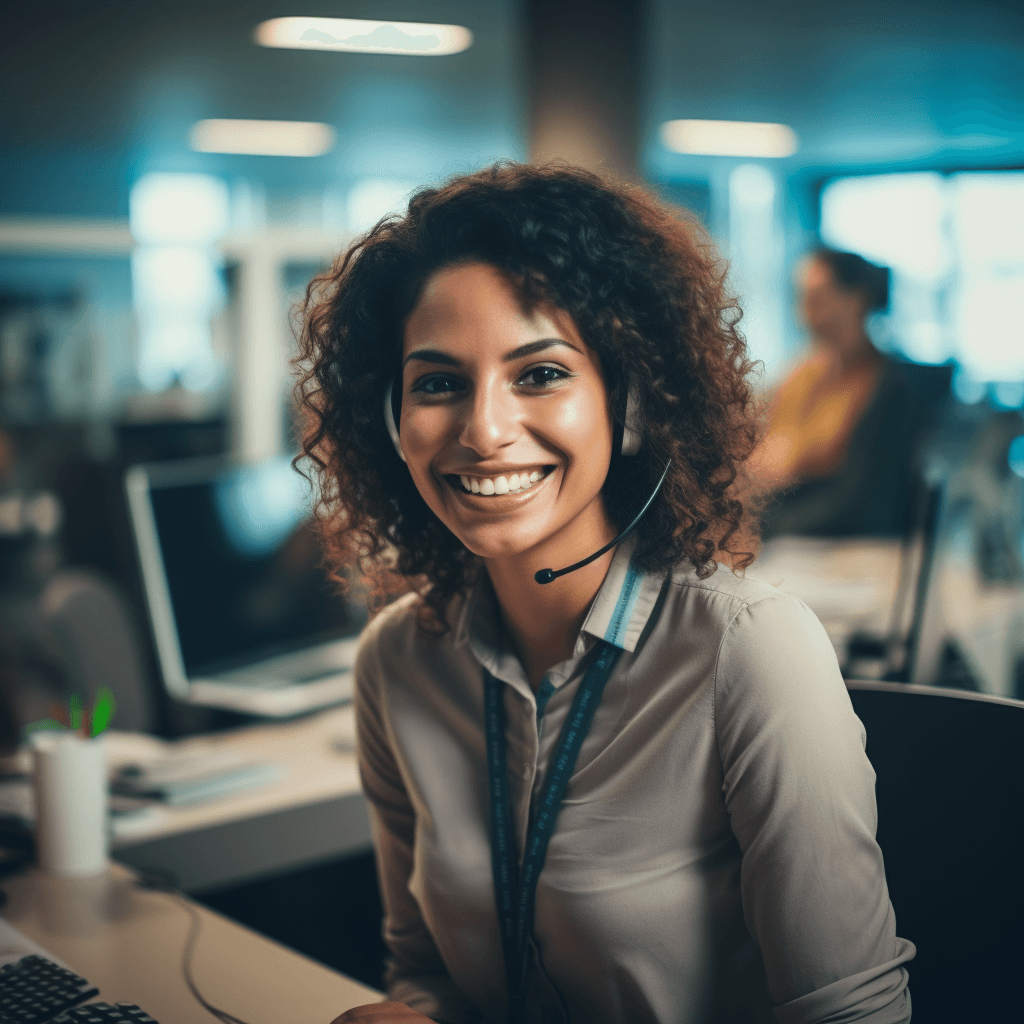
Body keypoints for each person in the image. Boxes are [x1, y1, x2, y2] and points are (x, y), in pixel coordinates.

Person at [296, 164, 914, 1024]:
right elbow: (426, 972)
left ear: (628, 405)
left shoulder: (748, 650)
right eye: (437, 383)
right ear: (391, 419)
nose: (484, 429)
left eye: (540, 374)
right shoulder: (397, 662)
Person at [753, 248, 948, 539]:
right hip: (793, 530)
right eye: (802, 299)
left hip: (843, 541)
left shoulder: (888, 386)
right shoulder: (800, 376)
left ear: (857, 300)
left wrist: (764, 528)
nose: (806, 314)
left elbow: (864, 505)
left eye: (817, 299)